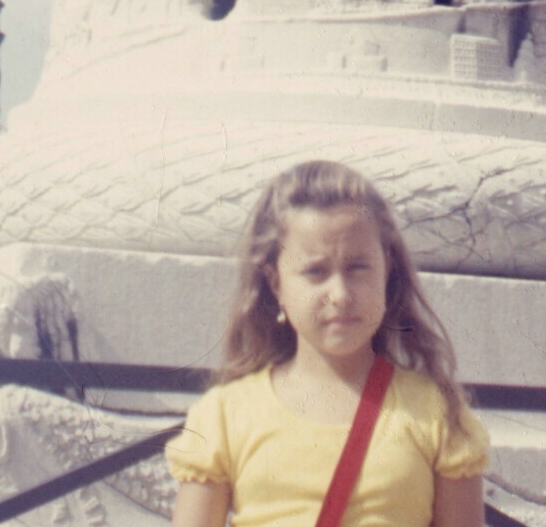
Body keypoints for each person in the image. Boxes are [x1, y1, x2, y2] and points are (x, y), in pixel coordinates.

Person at [167, 160, 489, 527]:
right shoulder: (223, 416)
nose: (340, 294)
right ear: (276, 284)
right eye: (316, 271)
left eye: (357, 268)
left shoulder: (436, 413)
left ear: (387, 270)